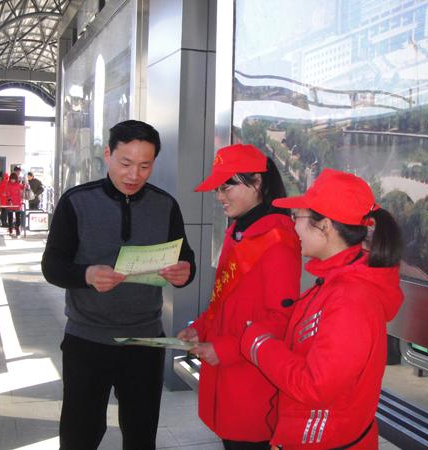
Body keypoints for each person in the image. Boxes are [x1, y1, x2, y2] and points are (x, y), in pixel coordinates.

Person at [41, 119, 196, 450]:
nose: (134, 175)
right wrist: (86, 275)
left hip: (145, 340)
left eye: (145, 166)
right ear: (108, 155)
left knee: (141, 435)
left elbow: (186, 258)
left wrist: (185, 272)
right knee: (80, 436)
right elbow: (52, 266)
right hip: (87, 338)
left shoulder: (165, 205)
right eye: (126, 163)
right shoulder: (76, 202)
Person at [240, 168, 403, 450]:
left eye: (297, 218)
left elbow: (315, 385)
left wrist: (257, 343)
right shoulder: (336, 281)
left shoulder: (351, 298)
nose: (293, 227)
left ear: (325, 226)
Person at [177, 144, 301, 450]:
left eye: (227, 186)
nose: (220, 196)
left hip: (253, 380)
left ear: (257, 182)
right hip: (228, 373)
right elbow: (223, 300)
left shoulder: (278, 241)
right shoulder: (238, 232)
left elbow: (282, 320)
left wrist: (225, 348)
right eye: (217, 189)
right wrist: (201, 328)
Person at [3, 172, 24, 236]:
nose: (12, 180)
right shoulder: (8, 184)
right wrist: (9, 200)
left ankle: (17, 228)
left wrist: (25, 185)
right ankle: (10, 228)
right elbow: (7, 193)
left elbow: (23, 189)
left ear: (16, 179)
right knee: (10, 217)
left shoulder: (18, 184)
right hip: (10, 203)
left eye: (14, 179)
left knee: (18, 217)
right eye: (11, 179)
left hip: (18, 202)